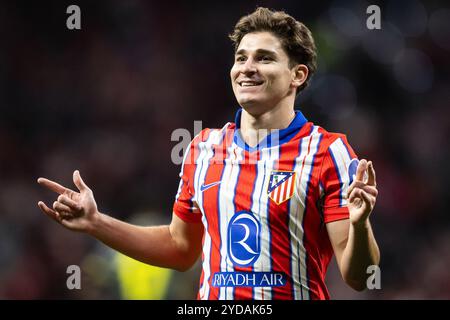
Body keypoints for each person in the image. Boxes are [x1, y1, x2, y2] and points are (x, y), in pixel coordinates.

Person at [37, 7, 379, 300]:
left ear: (297, 75)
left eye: (264, 58)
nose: (247, 67)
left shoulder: (327, 151)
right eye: (241, 57)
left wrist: (360, 223)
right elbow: (180, 248)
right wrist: (97, 223)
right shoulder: (203, 148)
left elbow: (359, 277)